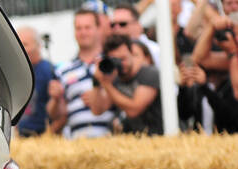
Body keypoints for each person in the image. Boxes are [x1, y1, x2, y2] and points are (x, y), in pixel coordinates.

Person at [47, 8, 115, 138]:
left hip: (110, 140)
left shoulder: (110, 63)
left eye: (87, 27)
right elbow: (55, 114)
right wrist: (56, 99)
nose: (83, 32)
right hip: (77, 142)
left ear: (98, 29)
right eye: (78, 28)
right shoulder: (63, 69)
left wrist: (97, 95)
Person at [84, 34, 163, 135]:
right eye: (115, 60)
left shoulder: (149, 73)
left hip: (158, 137)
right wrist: (97, 82)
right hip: (135, 141)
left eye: (123, 58)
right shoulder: (114, 78)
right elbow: (97, 110)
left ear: (131, 53)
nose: (121, 64)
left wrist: (107, 85)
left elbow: (134, 110)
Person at [15, 26, 54, 136]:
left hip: (41, 136)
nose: (21, 48)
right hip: (23, 137)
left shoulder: (48, 70)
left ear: (39, 46)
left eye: (25, 44)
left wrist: (48, 135)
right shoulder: (18, 72)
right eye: (18, 44)